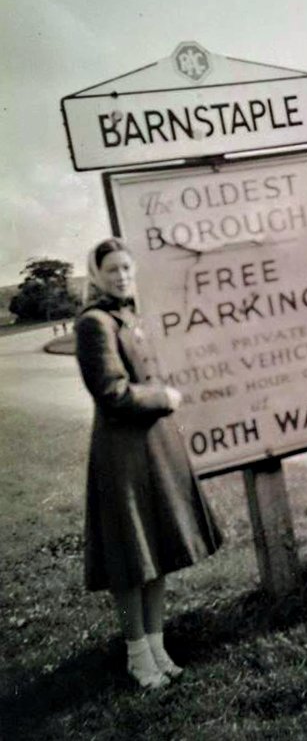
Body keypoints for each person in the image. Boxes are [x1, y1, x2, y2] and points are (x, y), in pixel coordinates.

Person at [75, 238, 222, 689]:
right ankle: (137, 655)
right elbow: (111, 392)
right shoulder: (94, 323)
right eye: (112, 269)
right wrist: (164, 397)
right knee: (129, 557)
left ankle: (157, 646)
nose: (121, 276)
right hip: (122, 454)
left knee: (156, 549)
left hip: (154, 445)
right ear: (96, 275)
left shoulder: (131, 316)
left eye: (126, 268)